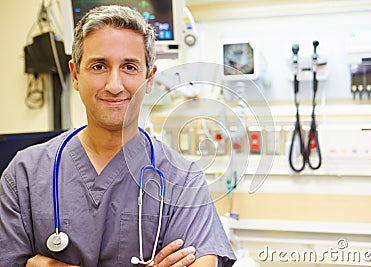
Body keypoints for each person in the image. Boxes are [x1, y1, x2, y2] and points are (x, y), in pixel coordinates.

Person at [0, 5, 236, 267]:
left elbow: (203, 262)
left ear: (149, 79)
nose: (114, 85)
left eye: (130, 67)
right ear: (76, 74)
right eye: (99, 66)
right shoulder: (25, 174)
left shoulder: (183, 179)